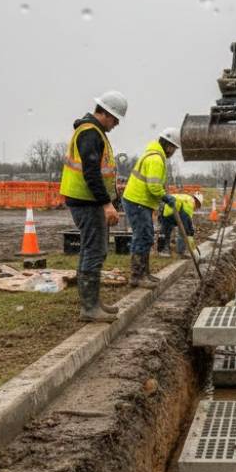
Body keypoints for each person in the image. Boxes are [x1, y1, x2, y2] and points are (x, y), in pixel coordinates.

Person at [59, 91, 126, 322]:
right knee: (94, 250)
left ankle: (93, 302)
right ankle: (89, 308)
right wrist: (107, 204)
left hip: (87, 200)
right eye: (115, 119)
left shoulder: (93, 132)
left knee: (92, 249)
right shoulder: (90, 133)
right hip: (86, 201)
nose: (116, 124)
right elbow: (91, 173)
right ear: (105, 113)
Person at [122, 127, 180, 287]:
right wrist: (166, 197)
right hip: (138, 202)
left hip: (139, 201)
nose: (173, 152)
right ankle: (137, 276)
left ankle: (143, 274)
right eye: (174, 148)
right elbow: (154, 187)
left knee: (144, 236)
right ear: (168, 146)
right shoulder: (156, 159)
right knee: (143, 236)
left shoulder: (154, 155)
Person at [158, 192, 202, 257]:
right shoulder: (190, 203)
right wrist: (188, 233)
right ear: (197, 202)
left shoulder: (187, 198)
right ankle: (176, 251)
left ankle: (164, 249)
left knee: (165, 230)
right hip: (168, 209)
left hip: (167, 207)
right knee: (179, 231)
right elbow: (185, 221)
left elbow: (188, 220)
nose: (196, 209)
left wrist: (191, 231)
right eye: (197, 207)